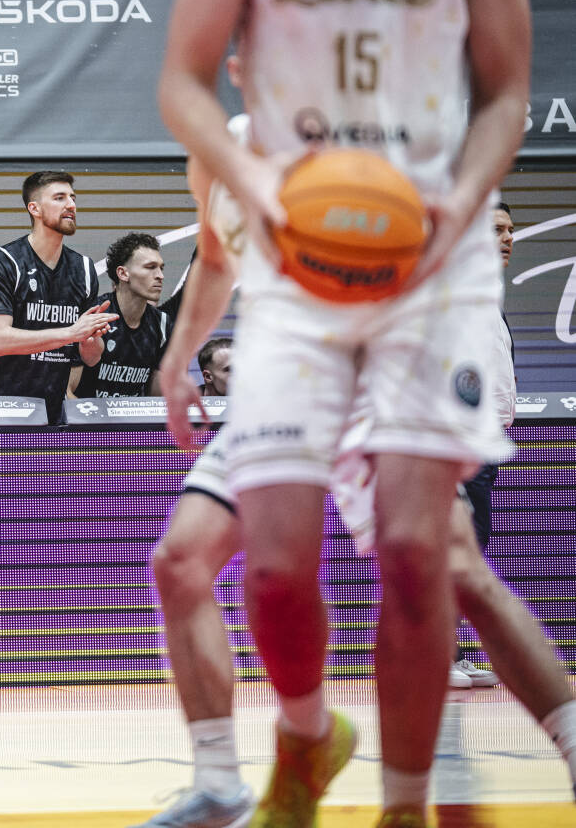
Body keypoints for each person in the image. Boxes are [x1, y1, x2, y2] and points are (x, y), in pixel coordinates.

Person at [156, 0, 531, 816]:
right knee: (266, 568)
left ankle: (407, 803)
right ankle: (297, 740)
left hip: (424, 269)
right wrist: (254, 193)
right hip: (299, 275)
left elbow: (507, 96)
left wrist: (461, 203)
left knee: (424, 556)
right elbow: (183, 89)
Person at [139, 196, 576, 828]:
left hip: (388, 367)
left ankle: (461, 783)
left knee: (453, 568)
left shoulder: (391, 150)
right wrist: (178, 357)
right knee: (183, 560)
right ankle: (233, 778)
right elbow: (213, 258)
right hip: (288, 375)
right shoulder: (228, 158)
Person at [0, 170, 115, 424]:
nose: (71, 205)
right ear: (34, 208)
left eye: (73, 198)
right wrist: (71, 333)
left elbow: (92, 357)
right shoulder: (4, 261)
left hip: (52, 412)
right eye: (59, 198)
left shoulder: (83, 268)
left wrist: (90, 339)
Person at [448, 199, 519, 689]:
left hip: (485, 443)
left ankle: (454, 653)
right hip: (459, 443)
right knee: (452, 549)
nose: (507, 239)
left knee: (471, 547)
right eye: (496, 230)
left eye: (510, 230)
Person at [72, 232, 177, 398]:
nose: (160, 276)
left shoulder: (162, 324)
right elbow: (68, 393)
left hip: (134, 415)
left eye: (161, 268)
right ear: (123, 273)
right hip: (89, 413)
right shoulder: (93, 315)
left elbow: (158, 401)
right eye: (150, 267)